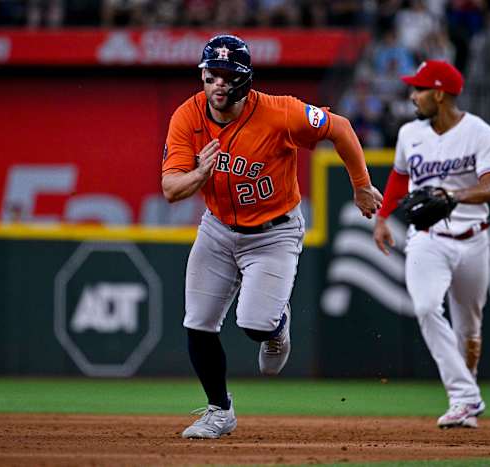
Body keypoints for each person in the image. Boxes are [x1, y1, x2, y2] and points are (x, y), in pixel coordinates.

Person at [162, 34, 383, 439]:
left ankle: (276, 326)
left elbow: (342, 128)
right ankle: (219, 410)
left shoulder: (280, 112)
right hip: (217, 229)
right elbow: (172, 189)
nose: (218, 85)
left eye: (228, 77)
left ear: (245, 81)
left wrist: (361, 185)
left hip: (273, 233)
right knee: (198, 322)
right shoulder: (187, 117)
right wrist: (199, 174)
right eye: (211, 75)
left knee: (254, 323)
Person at [373, 60, 490, 429]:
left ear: (440, 93)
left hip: (474, 239)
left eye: (418, 89)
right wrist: (383, 218)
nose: (412, 96)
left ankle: (465, 400)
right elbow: (400, 178)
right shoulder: (409, 134)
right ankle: (465, 396)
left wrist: (454, 195)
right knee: (427, 307)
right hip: (427, 240)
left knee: (469, 331)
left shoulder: (480, 132)